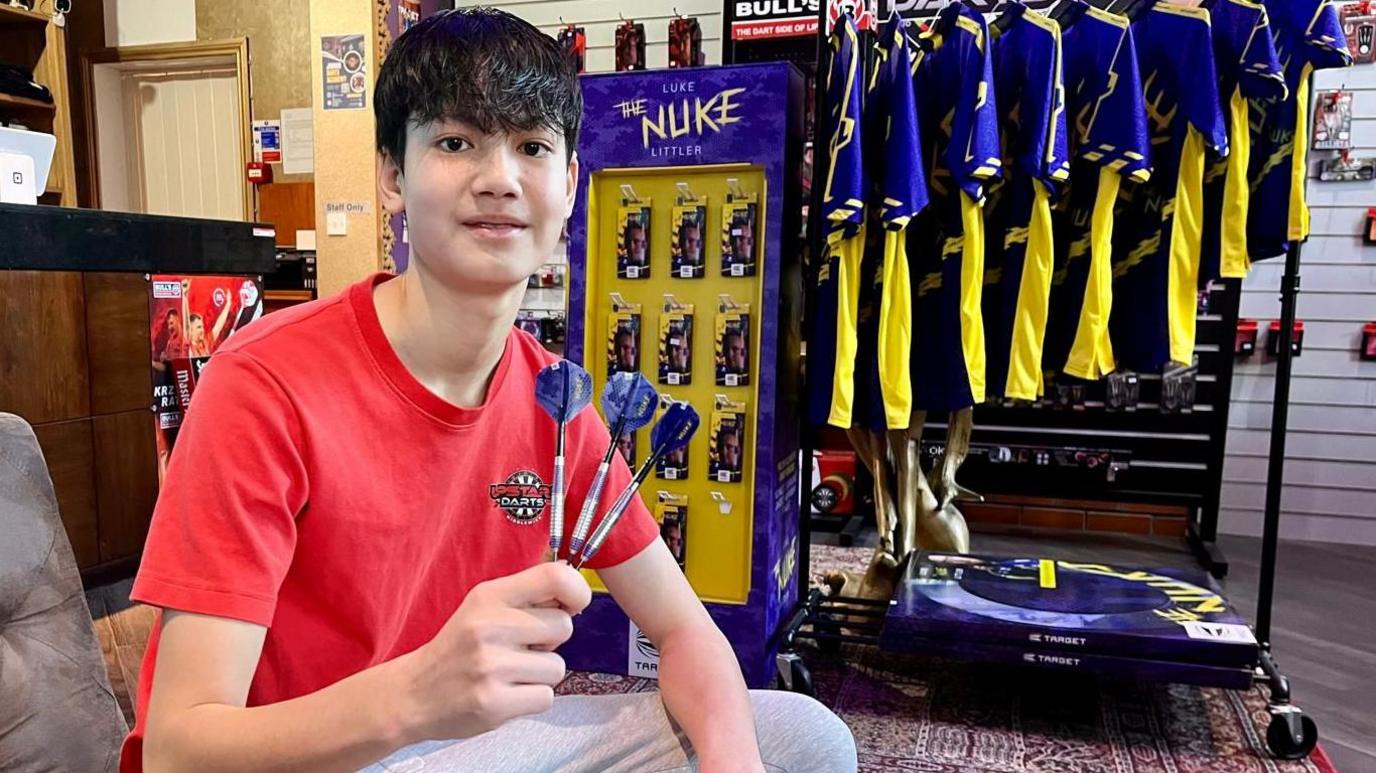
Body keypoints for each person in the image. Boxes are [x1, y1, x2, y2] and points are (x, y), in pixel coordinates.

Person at [124, 9, 855, 773]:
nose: (499, 178)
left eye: (532, 147)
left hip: (460, 747)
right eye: (455, 142)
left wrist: (731, 762)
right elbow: (180, 748)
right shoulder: (264, 383)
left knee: (802, 736)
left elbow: (684, 631)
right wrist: (415, 695)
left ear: (570, 184)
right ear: (392, 175)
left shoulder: (556, 403)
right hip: (308, 756)